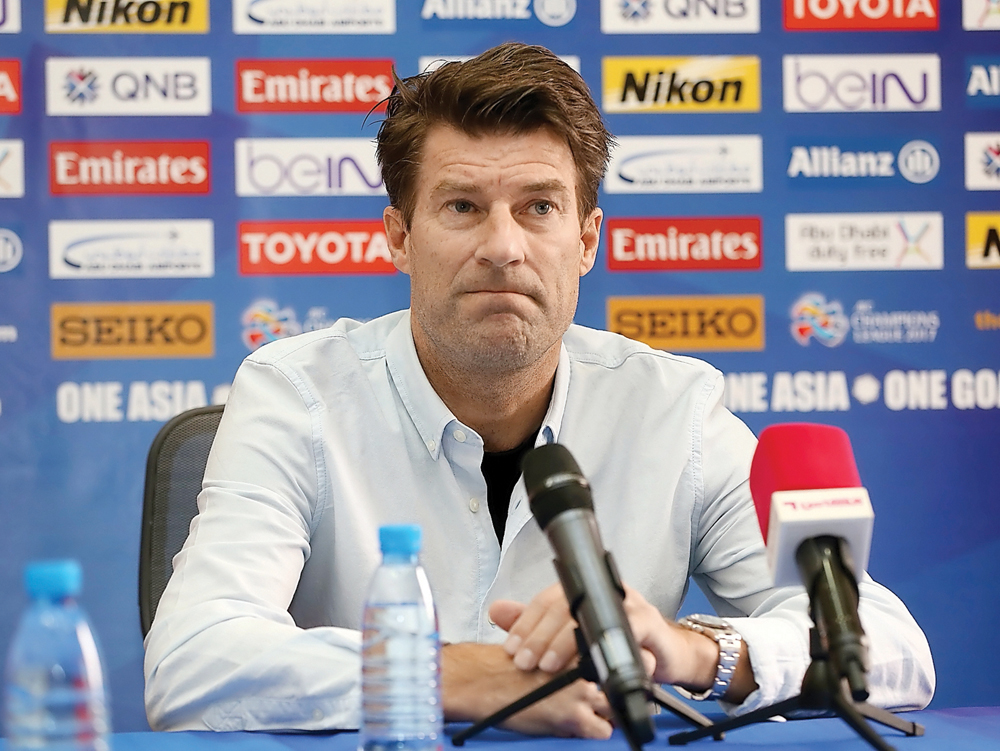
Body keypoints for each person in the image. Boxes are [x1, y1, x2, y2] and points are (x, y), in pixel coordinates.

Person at [143, 43, 934, 737]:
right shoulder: (295, 394)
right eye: (461, 206)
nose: (502, 247)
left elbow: (890, 647)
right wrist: (455, 675)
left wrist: (691, 650)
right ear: (399, 237)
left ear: (586, 239)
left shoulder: (675, 409)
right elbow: (191, 659)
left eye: (540, 207)